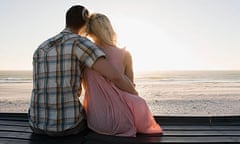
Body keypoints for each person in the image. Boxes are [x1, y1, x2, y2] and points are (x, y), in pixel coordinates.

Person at [28, 5, 137, 137]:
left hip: (35, 124)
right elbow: (115, 76)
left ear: (67, 21)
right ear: (85, 22)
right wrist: (135, 94)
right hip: (67, 127)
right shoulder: (80, 43)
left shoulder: (41, 47)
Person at [82, 13, 162, 137]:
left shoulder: (85, 56)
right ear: (109, 29)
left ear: (90, 32)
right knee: (138, 101)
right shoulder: (124, 54)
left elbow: (86, 86)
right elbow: (130, 87)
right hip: (121, 121)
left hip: (94, 120)